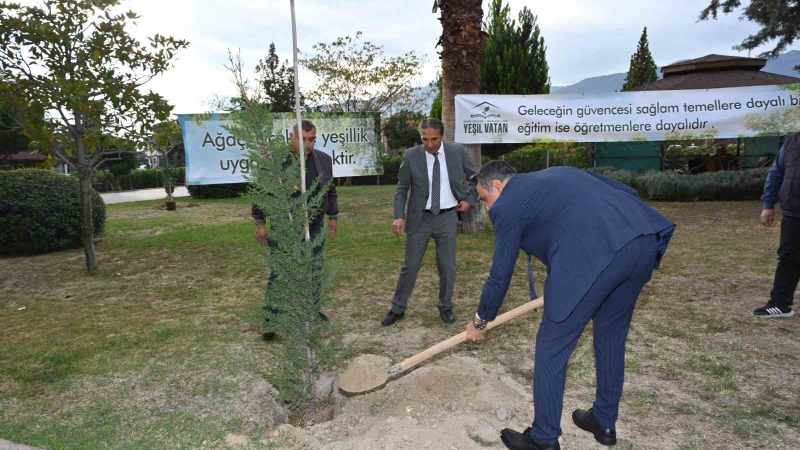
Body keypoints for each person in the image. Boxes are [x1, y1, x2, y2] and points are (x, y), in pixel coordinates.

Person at [464, 162, 675, 450]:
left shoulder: (509, 202)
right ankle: (603, 420)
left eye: (485, 199)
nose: (488, 209)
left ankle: (543, 439)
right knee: (611, 335)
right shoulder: (557, 174)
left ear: (498, 186)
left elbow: (500, 274)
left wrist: (480, 320)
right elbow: (624, 190)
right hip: (641, 241)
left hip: (595, 257)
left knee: (552, 347)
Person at [381, 118, 478, 326]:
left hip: (447, 217)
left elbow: (475, 177)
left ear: (442, 136)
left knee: (447, 267)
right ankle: (397, 308)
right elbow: (402, 188)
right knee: (411, 266)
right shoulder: (411, 156)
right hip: (419, 219)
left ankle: (446, 307)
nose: (429, 144)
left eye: (434, 139)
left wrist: (469, 200)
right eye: (425, 139)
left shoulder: (457, 152)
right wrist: (398, 216)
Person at [252, 120, 339, 339]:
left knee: (314, 270)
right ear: (292, 138)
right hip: (285, 226)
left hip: (316, 226)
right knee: (280, 274)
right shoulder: (274, 162)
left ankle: (311, 310)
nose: (308, 144)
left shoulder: (324, 161)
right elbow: (261, 192)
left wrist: (333, 215)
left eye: (312, 140)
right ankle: (271, 321)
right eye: (304, 139)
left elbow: (330, 190)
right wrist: (260, 222)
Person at [755, 134, 800, 318]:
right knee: (788, 258)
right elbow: (776, 173)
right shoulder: (791, 142)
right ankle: (780, 304)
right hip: (794, 211)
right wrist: (768, 205)